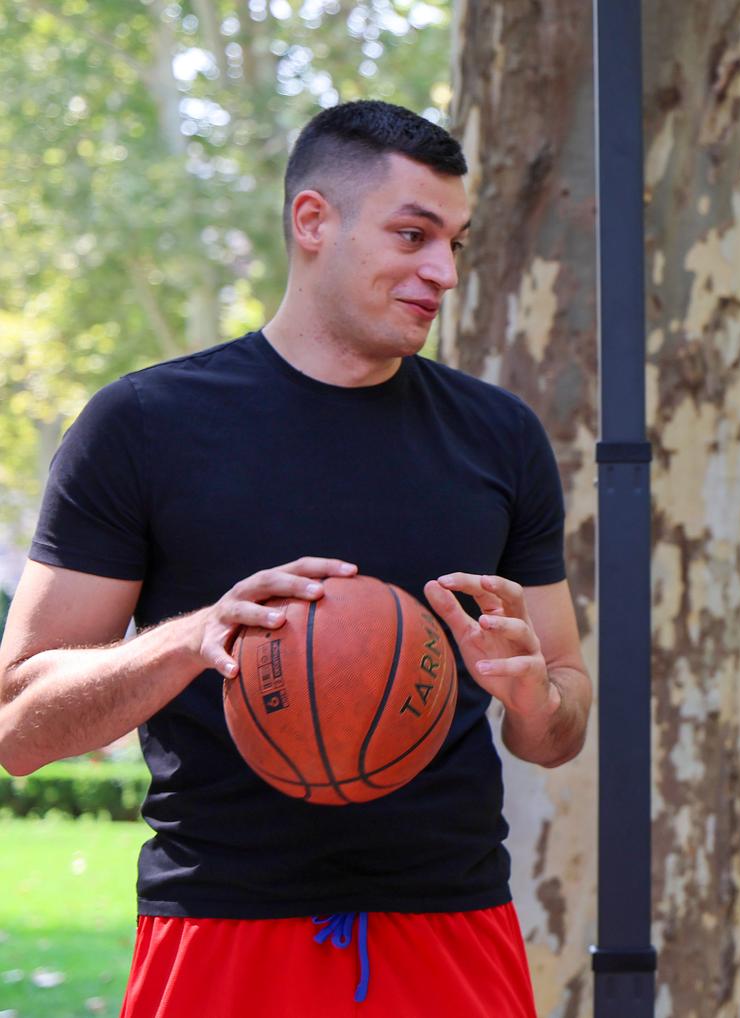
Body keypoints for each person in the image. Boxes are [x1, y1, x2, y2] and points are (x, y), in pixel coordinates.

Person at [0, 100, 592, 1017]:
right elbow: (19, 732)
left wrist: (533, 696)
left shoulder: (501, 437)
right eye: (412, 234)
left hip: (450, 926)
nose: (442, 271)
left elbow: (559, 720)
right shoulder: (142, 427)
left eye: (456, 243)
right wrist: (192, 637)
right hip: (222, 929)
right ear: (313, 221)